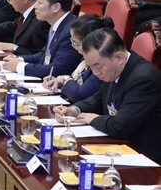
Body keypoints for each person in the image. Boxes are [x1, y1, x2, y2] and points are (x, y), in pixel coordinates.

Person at [54, 28, 161, 164]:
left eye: (98, 66)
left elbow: (120, 126)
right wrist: (74, 110)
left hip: (143, 157)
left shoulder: (144, 79)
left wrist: (93, 119)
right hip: (117, 146)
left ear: (119, 58)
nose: (95, 73)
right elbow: (98, 99)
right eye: (91, 67)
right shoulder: (114, 70)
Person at [3, 0, 81, 78]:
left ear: (56, 7)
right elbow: (45, 54)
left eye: (39, 2)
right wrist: (20, 59)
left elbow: (58, 69)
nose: (34, 6)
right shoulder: (57, 24)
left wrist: (20, 67)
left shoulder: (70, 32)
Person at [43, 14, 112, 101]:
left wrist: (66, 79)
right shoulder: (83, 58)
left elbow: (79, 95)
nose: (74, 47)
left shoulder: (99, 65)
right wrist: (60, 82)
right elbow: (75, 83)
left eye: (76, 43)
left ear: (89, 43)